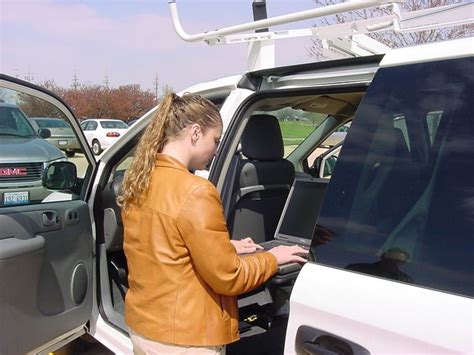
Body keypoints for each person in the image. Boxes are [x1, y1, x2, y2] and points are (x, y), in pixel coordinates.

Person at [117, 93, 307, 355]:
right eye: (215, 140)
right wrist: (274, 257)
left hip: (145, 330)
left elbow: (163, 243)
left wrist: (224, 246)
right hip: (186, 340)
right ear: (195, 133)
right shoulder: (196, 191)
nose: (217, 149)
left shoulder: (140, 179)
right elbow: (229, 277)